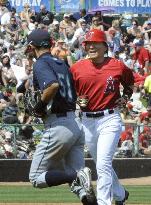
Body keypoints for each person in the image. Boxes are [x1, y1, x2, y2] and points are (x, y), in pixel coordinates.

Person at [26, 29, 97, 205]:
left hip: (59, 125)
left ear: (31, 46)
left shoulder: (40, 63)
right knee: (81, 187)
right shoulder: (61, 62)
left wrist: (39, 106)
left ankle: (77, 174)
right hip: (75, 122)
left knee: (35, 177)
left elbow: (52, 85)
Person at [70, 29, 134, 205]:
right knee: (101, 164)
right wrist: (76, 100)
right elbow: (68, 93)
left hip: (109, 118)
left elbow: (129, 84)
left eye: (95, 43)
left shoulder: (117, 65)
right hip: (87, 120)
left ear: (104, 46)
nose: (90, 46)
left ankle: (103, 202)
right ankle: (120, 195)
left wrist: (126, 97)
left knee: (103, 164)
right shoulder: (76, 68)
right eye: (87, 44)